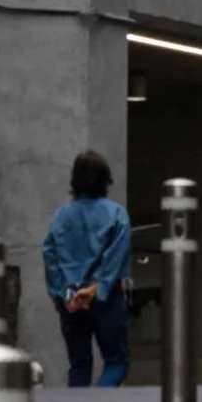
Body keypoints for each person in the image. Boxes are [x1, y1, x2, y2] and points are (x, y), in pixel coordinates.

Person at [41, 150, 132, 387]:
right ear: (105, 180)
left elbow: (49, 254)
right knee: (116, 363)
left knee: (79, 366)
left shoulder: (61, 216)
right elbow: (117, 256)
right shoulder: (116, 214)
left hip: (71, 300)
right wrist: (97, 287)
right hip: (106, 300)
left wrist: (62, 293)